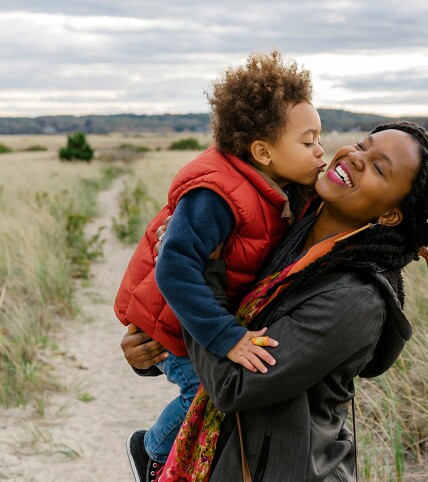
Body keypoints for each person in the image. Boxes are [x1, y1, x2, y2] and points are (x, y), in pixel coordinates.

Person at [122, 121, 428, 481]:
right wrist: (152, 349)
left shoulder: (355, 300)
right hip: (230, 460)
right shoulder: (287, 220)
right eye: (362, 144)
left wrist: (202, 271)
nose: (357, 157)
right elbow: (228, 313)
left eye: (378, 167)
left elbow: (234, 384)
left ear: (390, 215)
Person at [115, 51, 326, 481]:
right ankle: (151, 450)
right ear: (263, 151)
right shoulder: (216, 195)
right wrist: (227, 337)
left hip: (194, 317)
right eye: (308, 142)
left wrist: (395, 233)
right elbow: (174, 269)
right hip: (172, 320)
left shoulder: (275, 188)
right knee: (203, 393)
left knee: (213, 395)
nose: (321, 151)